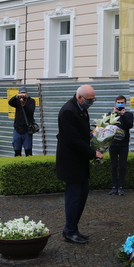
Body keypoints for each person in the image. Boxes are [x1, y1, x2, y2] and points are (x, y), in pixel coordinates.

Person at [55, 84, 103, 244]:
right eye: (89, 100)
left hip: (80, 162)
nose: (91, 102)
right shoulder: (68, 111)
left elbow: (80, 133)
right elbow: (73, 140)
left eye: (93, 99)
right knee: (74, 197)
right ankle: (70, 231)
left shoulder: (81, 109)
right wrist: (93, 153)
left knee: (82, 194)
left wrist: (93, 136)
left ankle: (73, 228)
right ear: (79, 97)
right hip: (71, 162)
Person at [108, 95, 134, 196]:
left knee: (122, 166)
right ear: (115, 103)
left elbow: (129, 125)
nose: (120, 104)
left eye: (122, 103)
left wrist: (123, 115)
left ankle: (121, 187)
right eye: (118, 102)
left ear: (125, 104)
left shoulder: (129, 115)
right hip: (113, 144)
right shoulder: (111, 114)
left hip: (123, 144)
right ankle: (114, 186)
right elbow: (107, 125)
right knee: (113, 166)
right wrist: (114, 114)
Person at [8, 86, 36, 157]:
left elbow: (30, 112)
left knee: (28, 152)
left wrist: (24, 105)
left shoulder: (31, 101)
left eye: (24, 93)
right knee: (17, 151)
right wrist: (16, 96)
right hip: (17, 128)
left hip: (27, 129)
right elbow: (10, 102)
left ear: (27, 93)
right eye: (21, 93)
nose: (23, 95)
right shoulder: (17, 101)